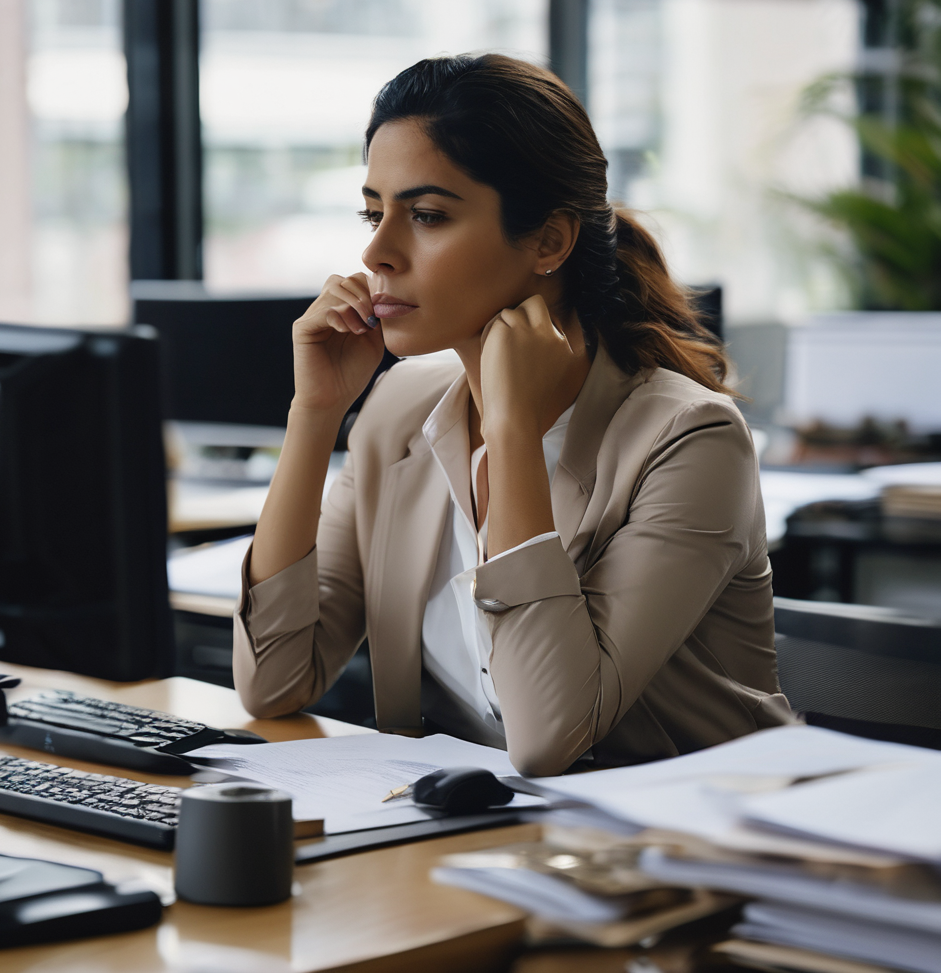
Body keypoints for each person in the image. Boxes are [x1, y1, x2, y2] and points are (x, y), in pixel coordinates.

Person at [232, 54, 794, 777]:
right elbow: (273, 682)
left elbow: (548, 738)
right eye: (375, 213)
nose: (377, 251)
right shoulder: (400, 408)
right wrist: (314, 414)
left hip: (684, 856)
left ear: (550, 241)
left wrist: (513, 434)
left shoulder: (690, 440)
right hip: (480, 846)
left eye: (427, 216)